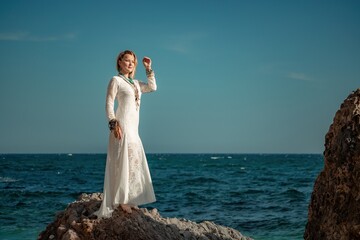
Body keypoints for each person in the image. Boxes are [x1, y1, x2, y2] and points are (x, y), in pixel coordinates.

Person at [95, 50, 157, 218]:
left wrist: (148, 68)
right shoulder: (116, 81)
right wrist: (113, 123)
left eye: (132, 61)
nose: (130, 63)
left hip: (134, 128)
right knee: (122, 162)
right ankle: (122, 200)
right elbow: (109, 102)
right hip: (121, 125)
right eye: (127, 60)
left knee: (134, 162)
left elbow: (152, 87)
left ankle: (131, 198)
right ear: (120, 62)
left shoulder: (136, 84)